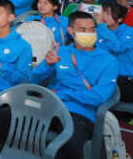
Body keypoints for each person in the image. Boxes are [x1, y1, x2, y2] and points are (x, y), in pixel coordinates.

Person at [29, 12, 118, 159]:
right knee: (7, 116)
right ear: (71, 31)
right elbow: (34, 79)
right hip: (49, 106)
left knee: (70, 143)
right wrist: (46, 65)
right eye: (82, 30)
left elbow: (98, 97)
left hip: (79, 112)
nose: (88, 33)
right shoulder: (60, 52)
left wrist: (62, 95)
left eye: (92, 29)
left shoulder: (108, 60)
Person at [96, 1, 133, 104]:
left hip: (126, 80)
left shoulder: (129, 32)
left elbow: (118, 47)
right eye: (102, 13)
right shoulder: (99, 31)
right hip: (106, 77)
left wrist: (101, 27)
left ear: (120, 19)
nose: (103, 16)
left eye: (108, 14)